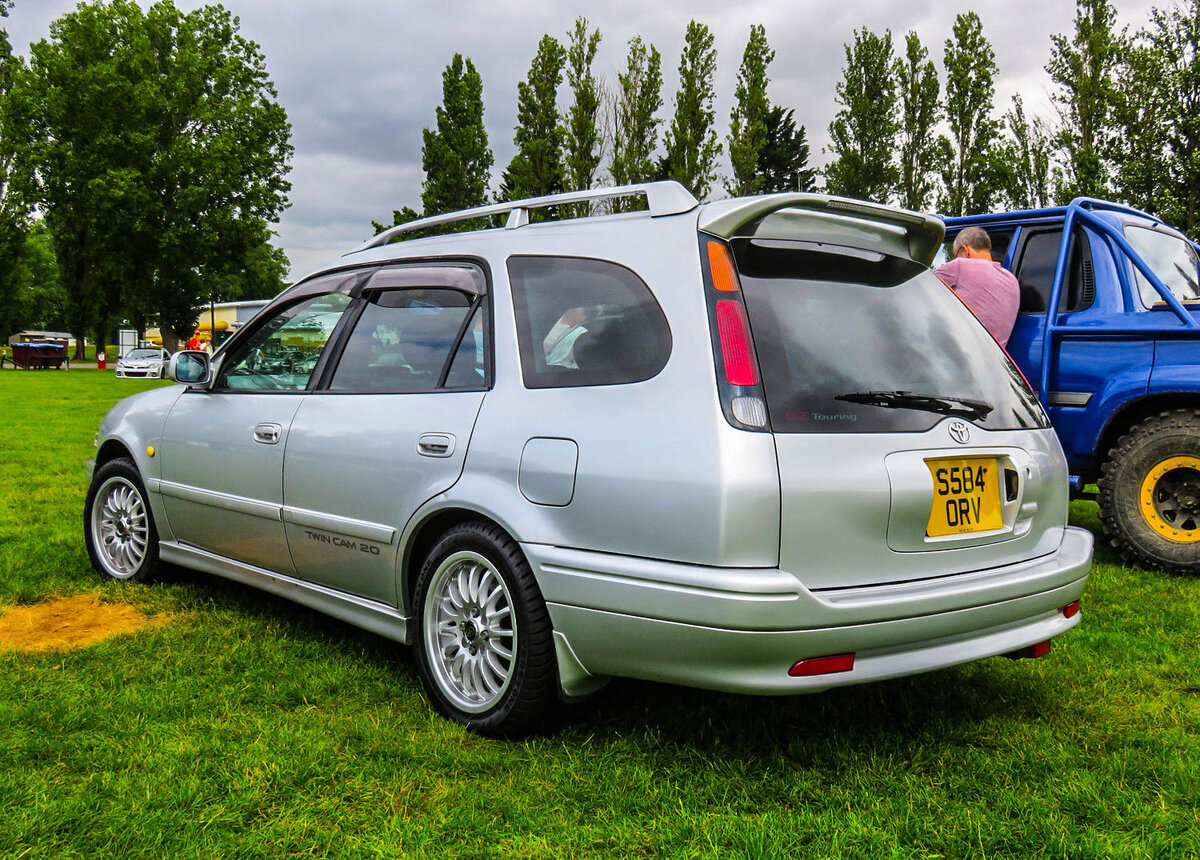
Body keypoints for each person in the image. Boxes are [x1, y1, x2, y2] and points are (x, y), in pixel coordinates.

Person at [936, 226, 1020, 347]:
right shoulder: (1012, 280)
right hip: (994, 361)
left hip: (958, 357)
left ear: (965, 250)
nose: (955, 259)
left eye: (956, 255)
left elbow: (919, 286)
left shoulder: (960, 265)